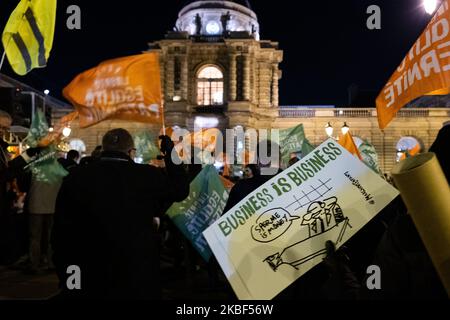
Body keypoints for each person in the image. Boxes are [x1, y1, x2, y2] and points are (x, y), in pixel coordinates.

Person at [51, 128, 189, 299]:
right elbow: (181, 189)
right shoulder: (147, 175)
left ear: (103, 148)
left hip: (90, 267)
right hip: (135, 269)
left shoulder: (77, 176)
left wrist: (69, 279)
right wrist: (171, 154)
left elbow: (62, 229)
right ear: (131, 152)